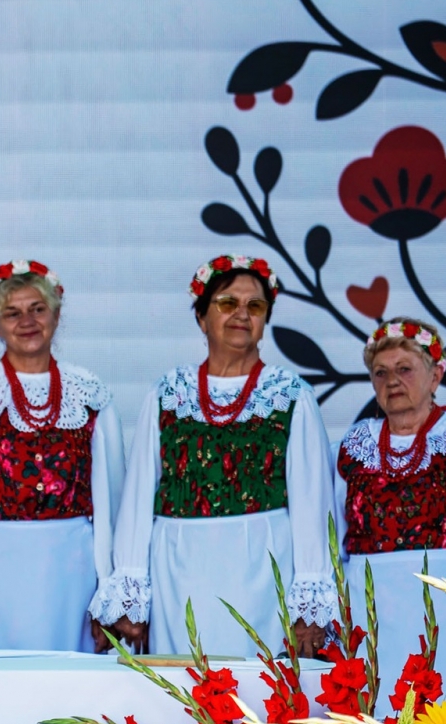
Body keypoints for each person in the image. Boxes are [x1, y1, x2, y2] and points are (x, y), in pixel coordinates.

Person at [95, 255, 337, 657]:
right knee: (183, 676)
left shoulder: (290, 394)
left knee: (257, 679)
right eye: (227, 303)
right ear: (201, 317)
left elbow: (313, 503)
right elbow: (138, 496)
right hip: (178, 572)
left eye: (254, 306)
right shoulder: (169, 392)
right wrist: (131, 590)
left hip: (264, 571)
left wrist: (309, 599)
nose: (242, 314)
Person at [0, 260, 126, 651]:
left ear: (56, 314)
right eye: (12, 313)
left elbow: (113, 501)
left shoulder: (89, 393)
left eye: (37, 309)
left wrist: (110, 587)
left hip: (71, 571)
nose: (27, 322)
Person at [334, 319, 446, 689]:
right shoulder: (353, 447)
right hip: (372, 610)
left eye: (404, 369)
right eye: (380, 372)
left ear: (435, 376)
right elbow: (332, 540)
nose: (392, 381)